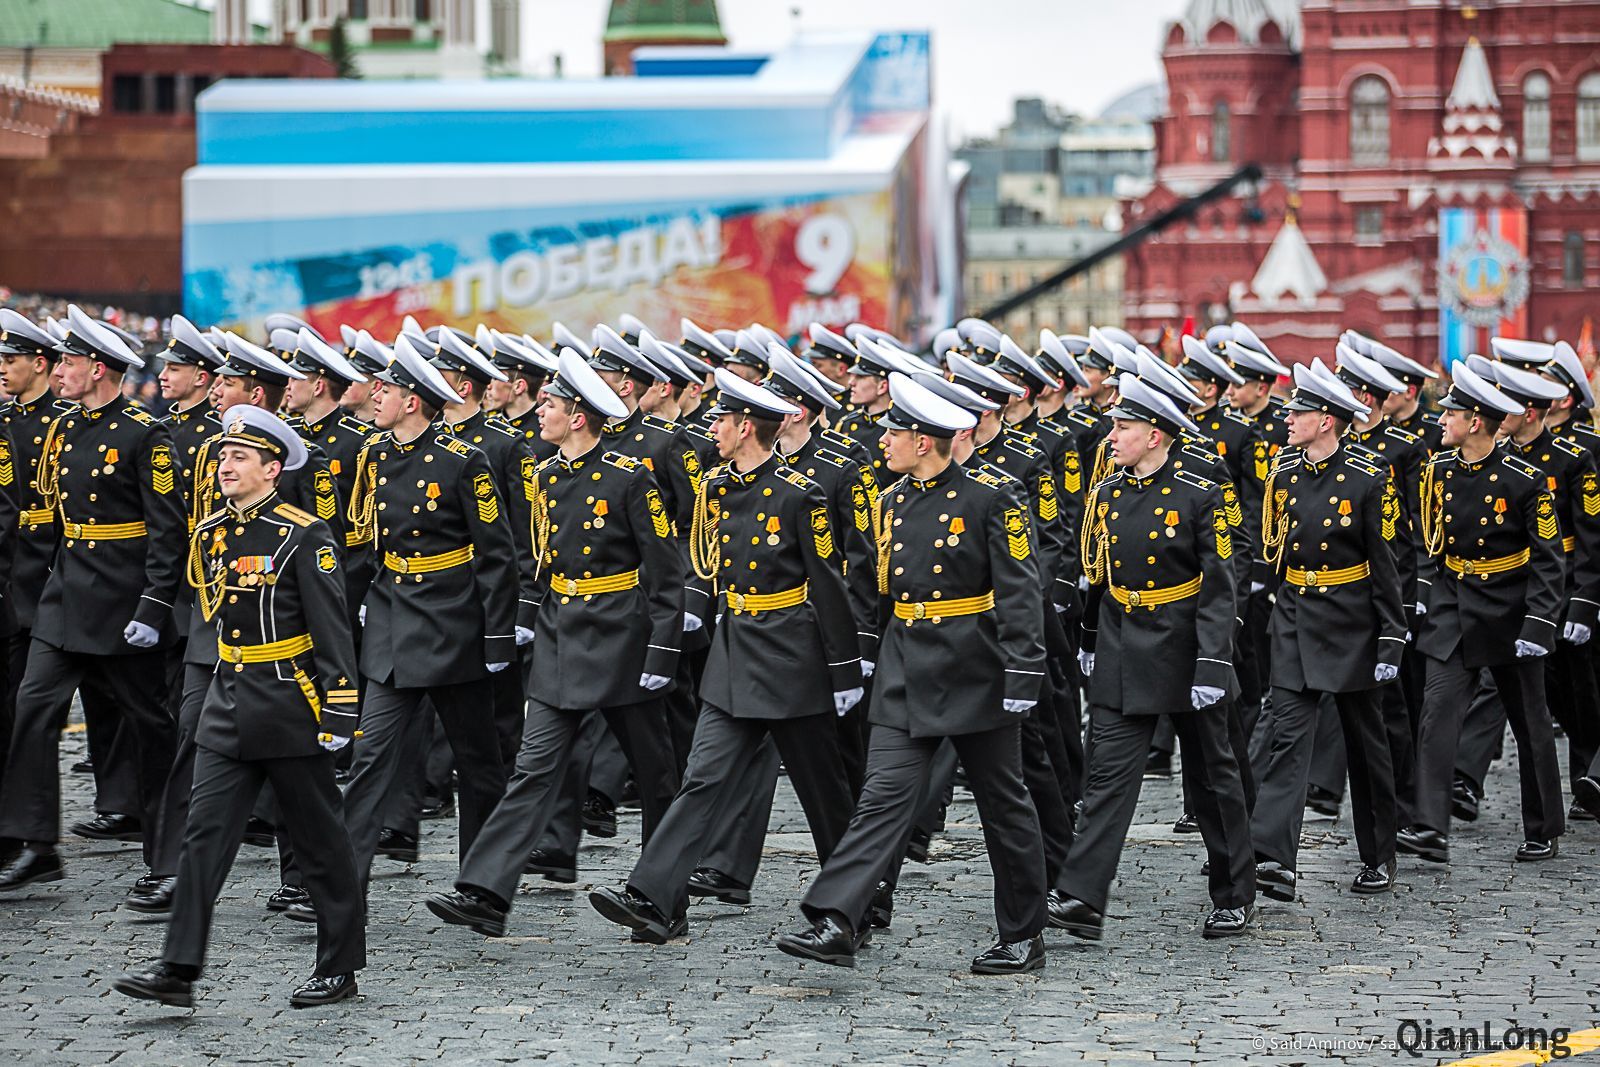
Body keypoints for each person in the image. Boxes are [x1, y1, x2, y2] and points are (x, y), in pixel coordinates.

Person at [776, 371, 1048, 974]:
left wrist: (1025, 671)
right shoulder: (892, 501)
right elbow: (875, 590)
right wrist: (864, 653)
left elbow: (1019, 591)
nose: (883, 442)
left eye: (893, 432)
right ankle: (839, 919)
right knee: (880, 800)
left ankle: (1023, 933)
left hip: (976, 668)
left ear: (923, 441)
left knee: (1004, 804)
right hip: (906, 665)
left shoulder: (991, 496)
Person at [589, 369, 861, 945]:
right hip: (736, 651)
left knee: (822, 792)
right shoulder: (715, 486)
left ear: (745, 428)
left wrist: (844, 665)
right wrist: (688, 610)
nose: (711, 427)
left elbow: (828, 582)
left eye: (721, 419)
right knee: (703, 778)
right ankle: (654, 895)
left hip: (792, 656)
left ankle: (853, 901)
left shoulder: (799, 495)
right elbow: (702, 559)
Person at [423, 348, 682, 938]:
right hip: (563, 635)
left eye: (552, 405)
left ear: (580, 417)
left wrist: (663, 650)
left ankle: (662, 898)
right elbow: (535, 561)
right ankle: (486, 891)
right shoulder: (543, 476)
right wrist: (523, 617)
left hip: (621, 637)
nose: (540, 411)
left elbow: (665, 572)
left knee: (656, 771)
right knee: (533, 768)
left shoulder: (630, 479)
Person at [113, 406, 363, 1009]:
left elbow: (332, 632)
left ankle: (339, 966)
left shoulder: (304, 536)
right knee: (203, 839)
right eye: (223, 456)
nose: (225, 465)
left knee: (320, 843)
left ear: (272, 469)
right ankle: (178, 968)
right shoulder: (212, 533)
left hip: (288, 702)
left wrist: (339, 709)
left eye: (240, 457)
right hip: (228, 701)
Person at [1048, 372, 1256, 941]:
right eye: (1114, 424)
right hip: (1123, 643)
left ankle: (1235, 891)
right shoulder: (1109, 492)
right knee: (1109, 775)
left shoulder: (1199, 491)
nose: (1111, 436)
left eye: (1124, 426)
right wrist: (1090, 639)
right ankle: (1083, 896)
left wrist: (1215, 661)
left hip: (1186, 645)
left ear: (1157, 434)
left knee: (1213, 776)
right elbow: (1101, 576)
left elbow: (1220, 583)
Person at [0, 305, 185, 892]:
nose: (59, 371)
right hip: (66, 598)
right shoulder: (62, 429)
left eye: (71, 362)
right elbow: (49, 519)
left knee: (151, 728)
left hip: (123, 600)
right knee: (32, 714)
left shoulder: (145, 435)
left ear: (100, 369)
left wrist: (155, 605)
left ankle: (170, 858)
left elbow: (167, 527)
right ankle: (36, 842)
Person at [338, 334, 519, 895]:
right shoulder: (375, 454)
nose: (376, 395)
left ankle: (482, 880)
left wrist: (495, 637)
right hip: (395, 621)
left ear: (412, 400)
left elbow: (496, 553)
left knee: (477, 759)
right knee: (372, 756)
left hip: (451, 624)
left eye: (386, 389)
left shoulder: (466, 461)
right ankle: (344, 880)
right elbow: (364, 543)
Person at [1399, 362, 1567, 864]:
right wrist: (1428, 594)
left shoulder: (1525, 480)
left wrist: (1539, 621)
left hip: (1511, 608)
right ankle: (1430, 825)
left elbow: (1549, 557)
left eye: (1451, 412)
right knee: (1437, 714)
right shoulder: (1438, 471)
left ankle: (1543, 826)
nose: (1441, 419)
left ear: (1475, 422)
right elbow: (1431, 544)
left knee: (1530, 721)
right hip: (1455, 604)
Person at [1250, 360, 1405, 901]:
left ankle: (1379, 853)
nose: (1289, 418)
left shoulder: (1369, 479)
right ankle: (1272, 857)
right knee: (1288, 737)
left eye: (1300, 411)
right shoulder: (1284, 475)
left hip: (1352, 620)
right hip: (1295, 614)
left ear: (1329, 421)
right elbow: (1275, 552)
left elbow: (1384, 562)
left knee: (1366, 745)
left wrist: (1391, 634)